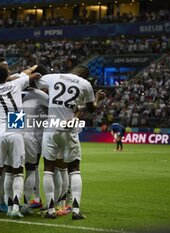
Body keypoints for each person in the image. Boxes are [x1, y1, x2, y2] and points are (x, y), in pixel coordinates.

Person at [35, 65, 105, 220]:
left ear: (73, 70)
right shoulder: (85, 84)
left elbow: (35, 81)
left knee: (48, 168)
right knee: (74, 169)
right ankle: (76, 210)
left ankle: (51, 210)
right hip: (70, 130)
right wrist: (98, 98)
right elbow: (91, 109)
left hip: (51, 129)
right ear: (85, 76)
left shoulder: (54, 77)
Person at [0, 64, 41, 218]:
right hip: (16, 129)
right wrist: (14, 78)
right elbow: (36, 76)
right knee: (18, 173)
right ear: (6, 76)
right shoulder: (16, 83)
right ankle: (14, 208)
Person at [20, 64, 49, 215]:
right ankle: (27, 203)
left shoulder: (15, 91)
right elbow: (58, 106)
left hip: (14, 135)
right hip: (32, 137)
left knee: (15, 172)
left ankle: (8, 203)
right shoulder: (39, 95)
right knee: (32, 169)